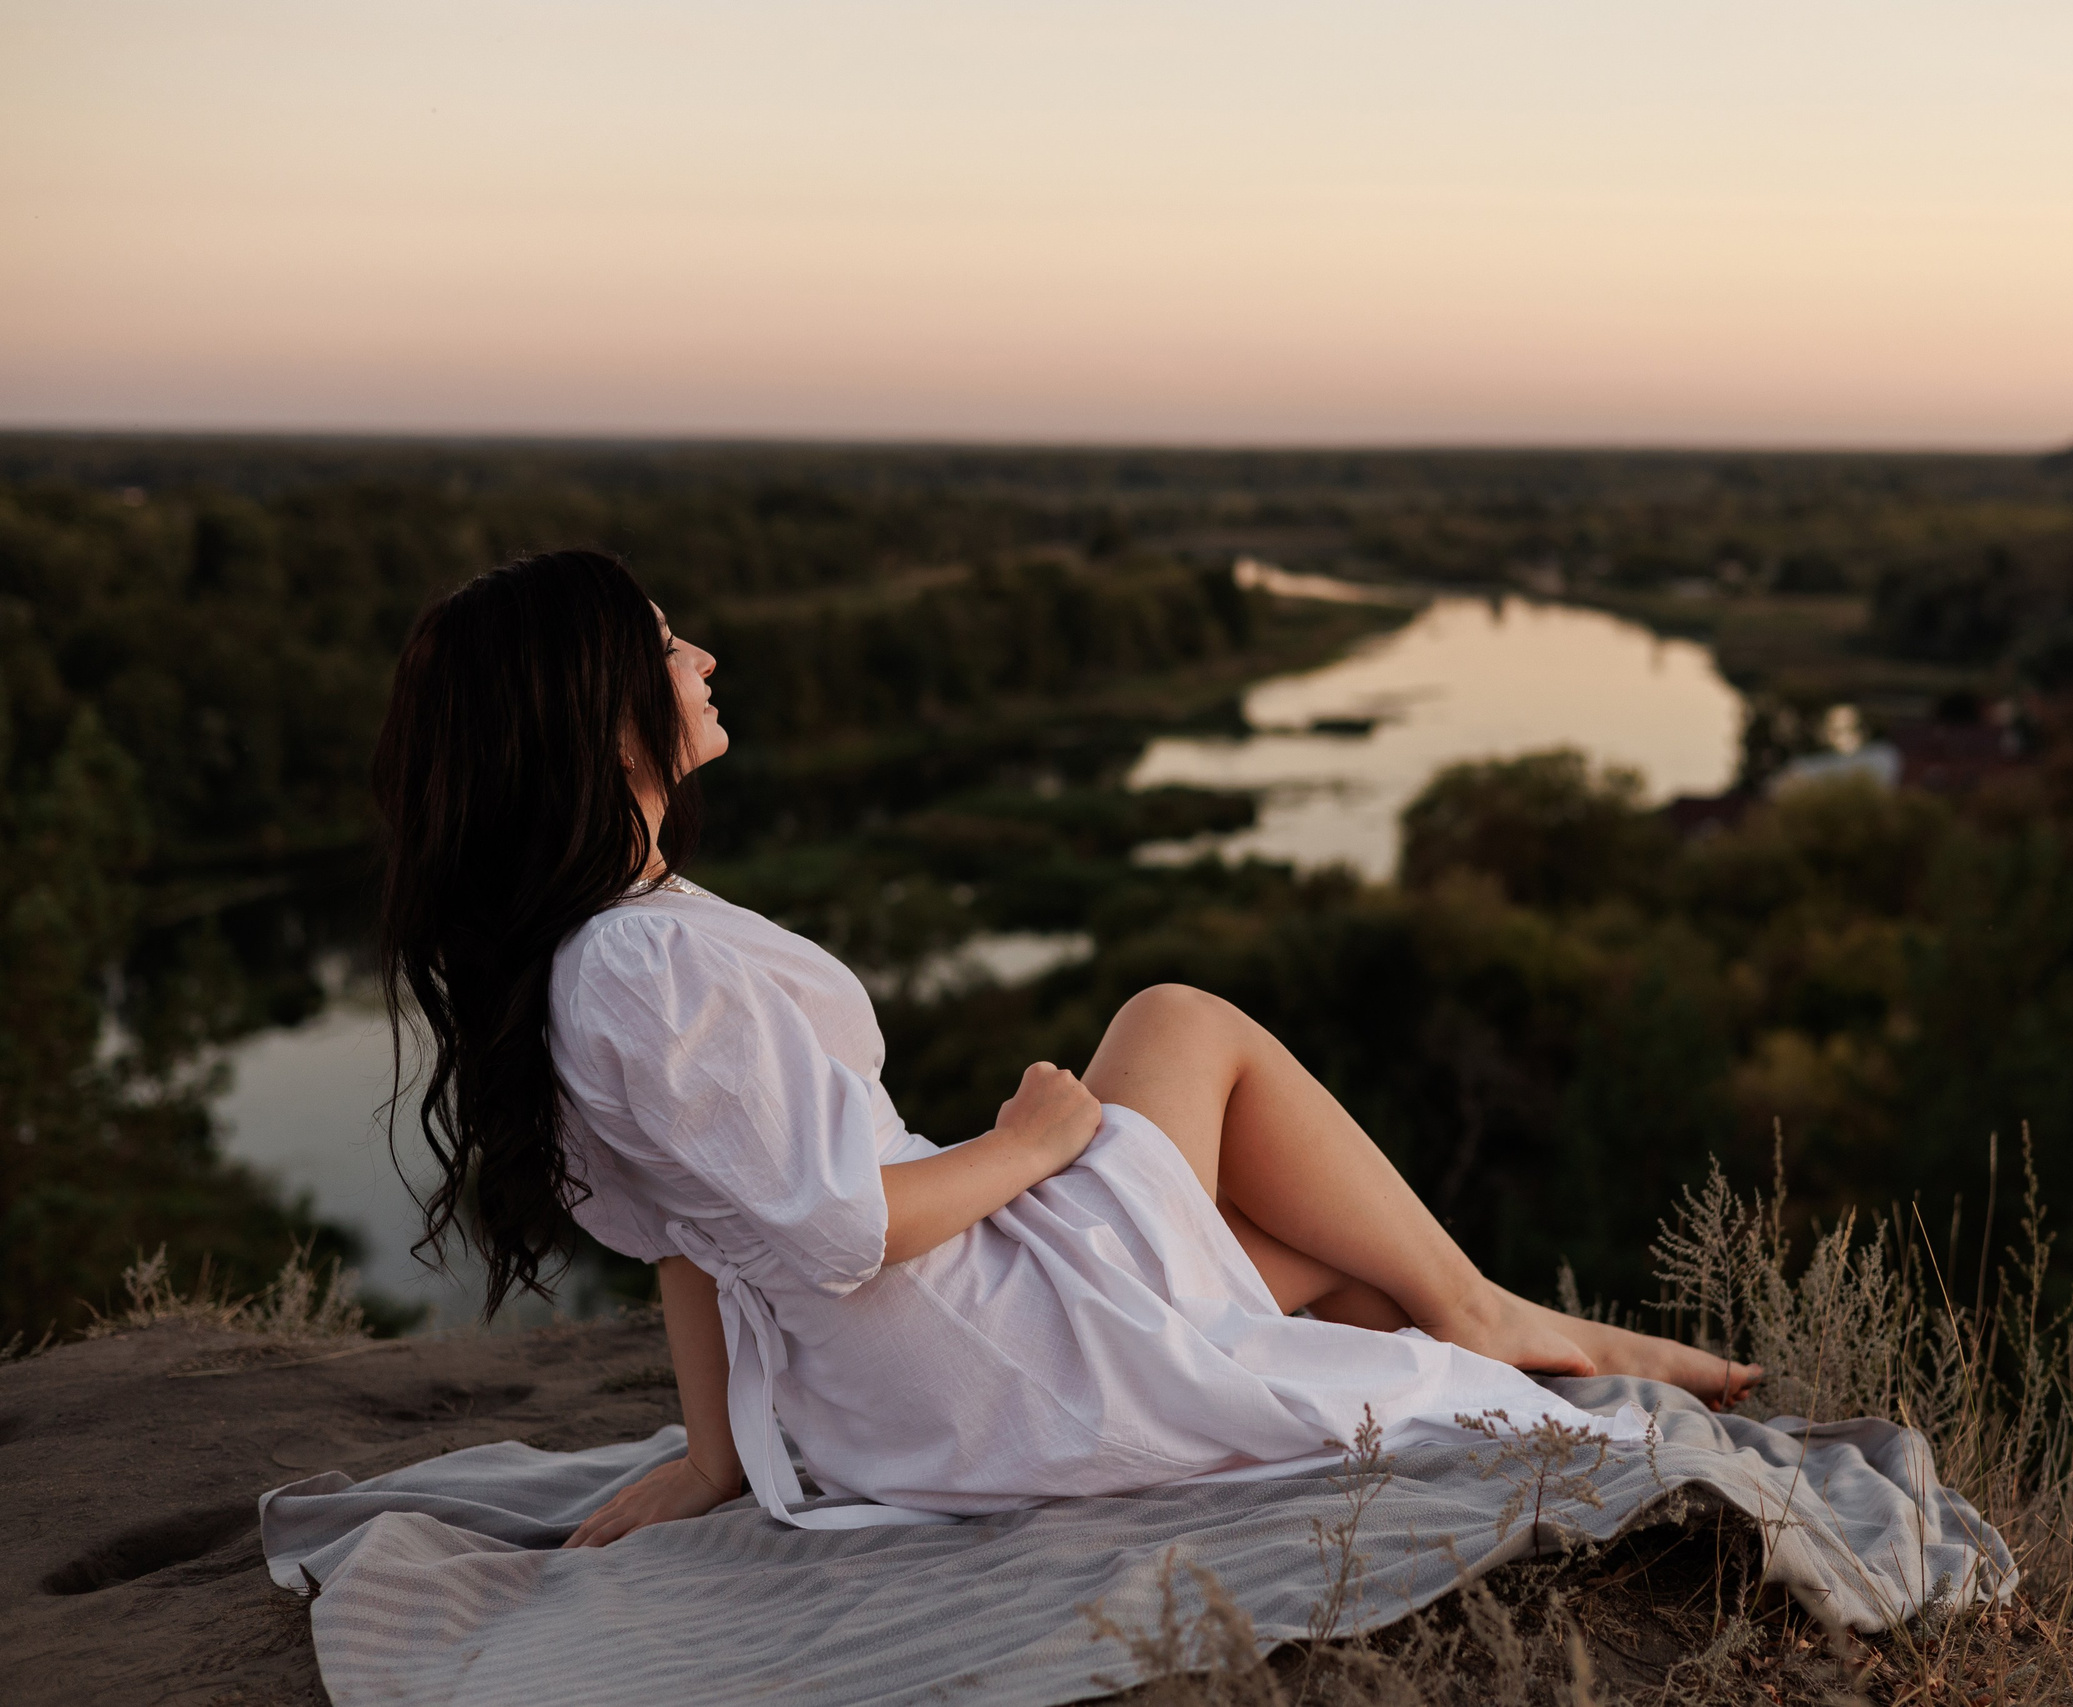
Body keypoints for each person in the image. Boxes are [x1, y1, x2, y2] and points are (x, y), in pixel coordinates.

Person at [372, 550, 1761, 1550]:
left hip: (890, 1390)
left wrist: (716, 1462)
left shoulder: (590, 955)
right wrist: (1028, 1145)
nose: (704, 659)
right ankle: (1497, 1322)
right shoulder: (649, 961)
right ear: (597, 712)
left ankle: (1496, 1326)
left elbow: (689, 1237)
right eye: (669, 645)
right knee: (1176, 1020)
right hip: (971, 1356)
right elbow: (847, 1227)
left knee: (1322, 1270)